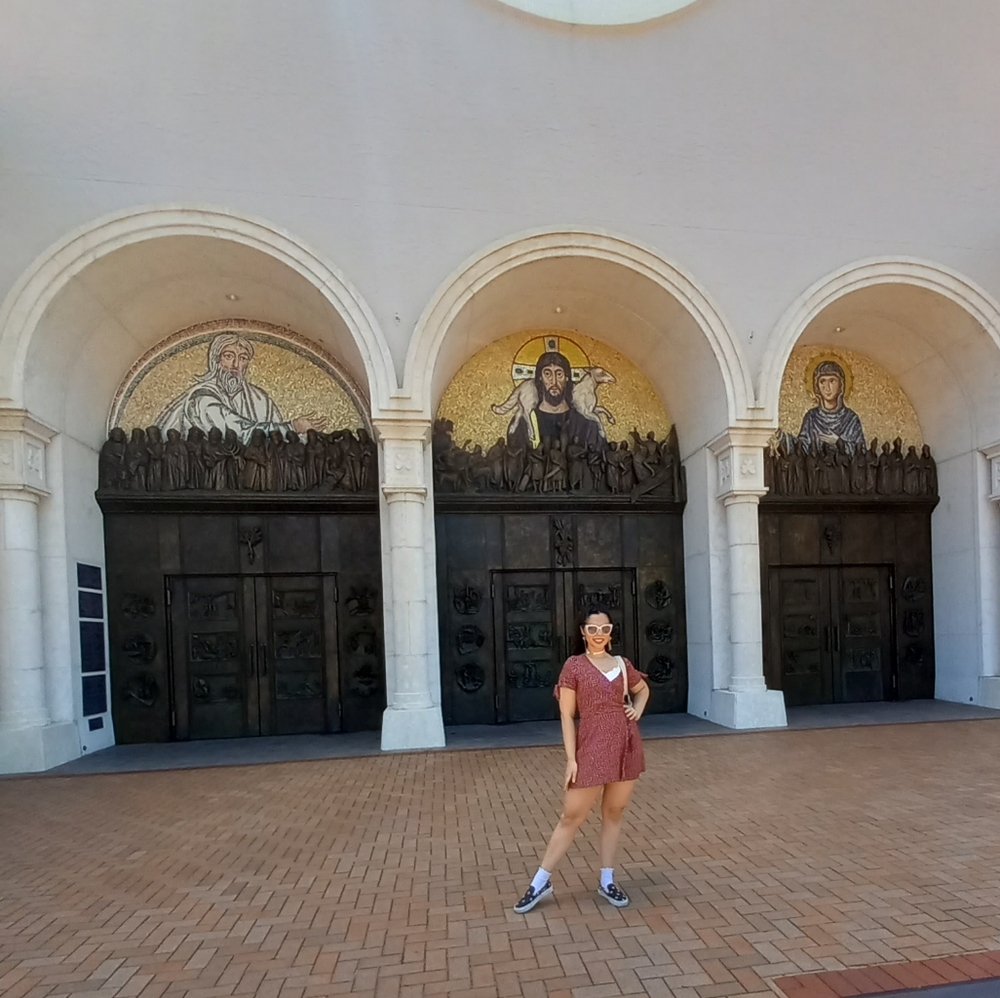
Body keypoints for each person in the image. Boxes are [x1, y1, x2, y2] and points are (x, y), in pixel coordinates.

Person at [513, 608, 650, 914]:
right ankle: (541, 881)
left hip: (625, 745)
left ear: (611, 632)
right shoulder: (574, 666)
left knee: (614, 811)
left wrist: (637, 710)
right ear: (583, 632)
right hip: (591, 747)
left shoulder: (622, 664)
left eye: (605, 629)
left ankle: (607, 879)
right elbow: (566, 714)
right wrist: (571, 759)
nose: (599, 634)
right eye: (593, 629)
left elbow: (642, 690)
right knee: (571, 816)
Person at [157, 331, 325, 439]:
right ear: (216, 361)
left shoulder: (260, 398)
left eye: (243, 358)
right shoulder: (201, 397)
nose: (236, 365)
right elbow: (234, 430)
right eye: (229, 356)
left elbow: (279, 444)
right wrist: (292, 426)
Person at [797, 360, 865, 452]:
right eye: (822, 381)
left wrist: (838, 443)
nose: (827, 387)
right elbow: (801, 447)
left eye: (832, 381)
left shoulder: (851, 419)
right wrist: (783, 439)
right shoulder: (811, 417)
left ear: (841, 385)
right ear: (816, 386)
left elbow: (861, 452)